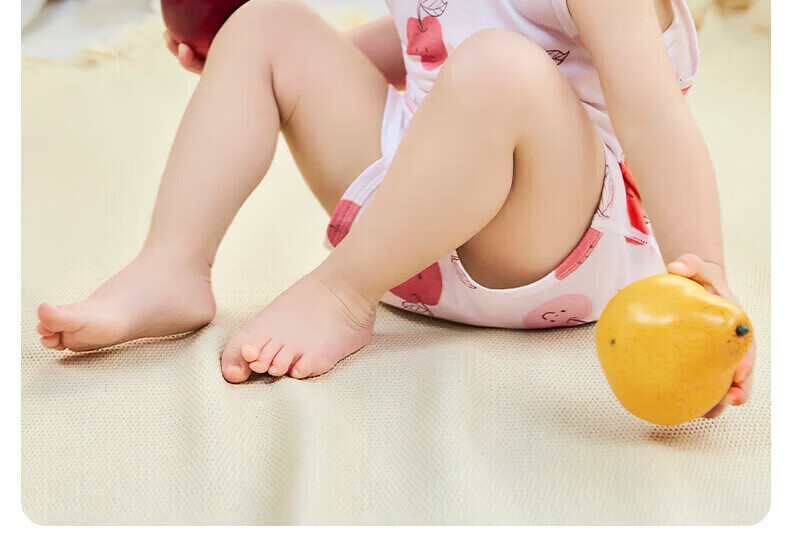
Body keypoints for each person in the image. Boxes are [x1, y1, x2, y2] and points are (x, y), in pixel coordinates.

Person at [37, 0, 754, 419]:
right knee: (263, 23)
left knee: (500, 65)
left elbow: (654, 118)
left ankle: (341, 292)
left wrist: (705, 276)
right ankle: (172, 264)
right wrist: (268, 69)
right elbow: (429, 37)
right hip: (406, 227)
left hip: (551, 243)